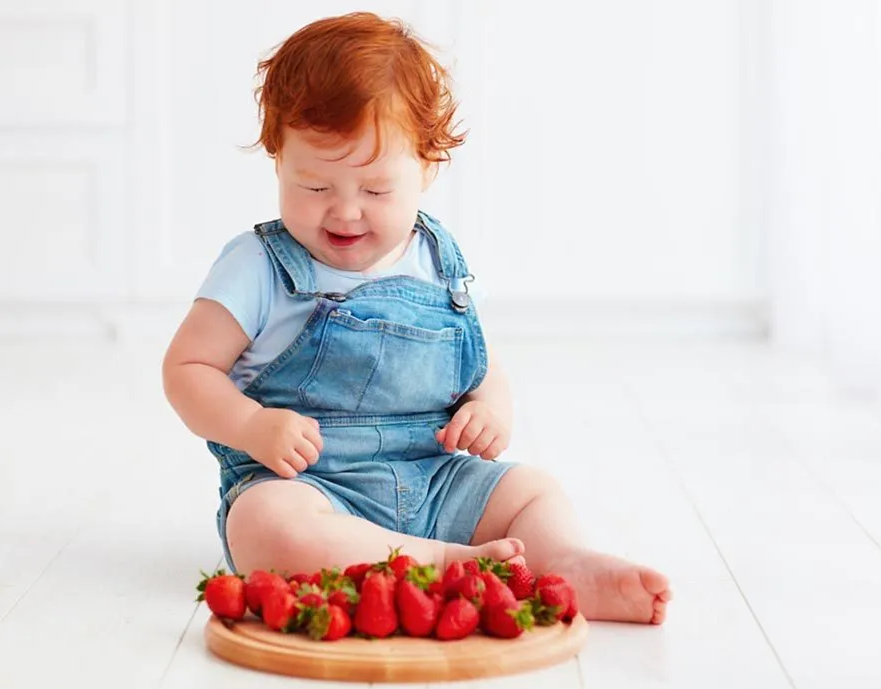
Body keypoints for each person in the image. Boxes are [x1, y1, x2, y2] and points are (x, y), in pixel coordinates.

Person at [162, 11, 671, 623]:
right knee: (265, 528)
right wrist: (251, 425)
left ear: (428, 167)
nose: (345, 211)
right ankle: (456, 565)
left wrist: (489, 408)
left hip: (434, 479)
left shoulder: (438, 259)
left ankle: (569, 563)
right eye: (314, 187)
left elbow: (477, 360)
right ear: (277, 160)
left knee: (530, 489)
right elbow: (187, 368)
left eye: (376, 191)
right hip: (311, 490)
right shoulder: (257, 266)